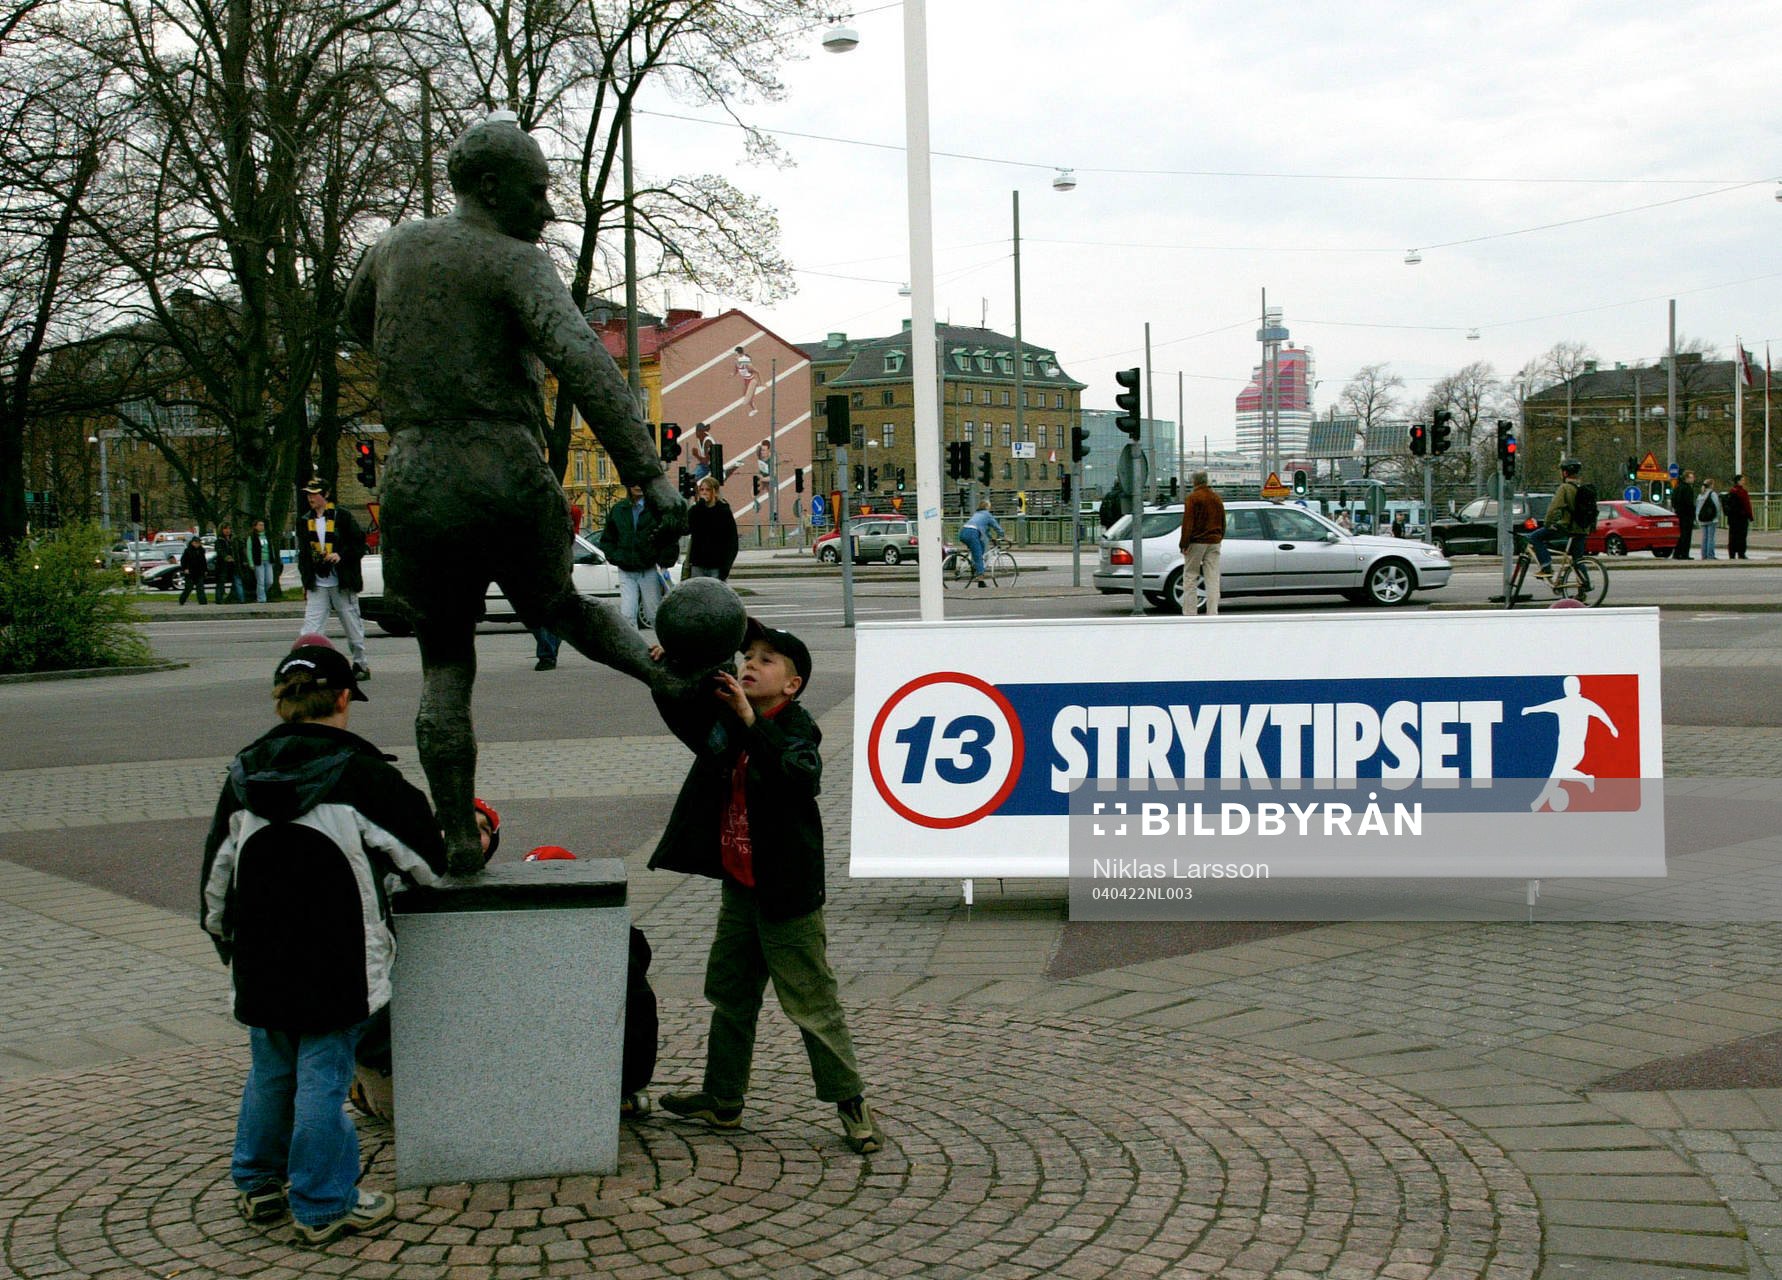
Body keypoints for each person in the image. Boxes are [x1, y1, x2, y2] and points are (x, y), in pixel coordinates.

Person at [343, 112, 691, 874]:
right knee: (561, 605)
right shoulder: (514, 260)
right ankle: (668, 677)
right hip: (498, 460)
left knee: (444, 662)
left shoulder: (393, 247)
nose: (547, 210)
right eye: (537, 193)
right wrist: (648, 474)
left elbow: (352, 317)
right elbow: (587, 366)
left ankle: (458, 835)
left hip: (414, 471)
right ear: (493, 188)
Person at [200, 639, 447, 1244]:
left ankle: (258, 1184)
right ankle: (322, 1203)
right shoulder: (361, 775)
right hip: (337, 959)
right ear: (342, 697)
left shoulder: (244, 772)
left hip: (261, 956)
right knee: (322, 1080)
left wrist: (226, 944)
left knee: (270, 1072)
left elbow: (216, 878)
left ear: (283, 700)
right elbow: (426, 863)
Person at [649, 620, 880, 1155]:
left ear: (793, 684)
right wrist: (671, 666)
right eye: (746, 655)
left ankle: (852, 1104)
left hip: (787, 892)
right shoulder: (728, 720)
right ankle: (722, 1099)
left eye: (767, 659)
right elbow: (684, 715)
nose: (750, 664)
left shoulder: (798, 728)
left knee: (811, 1002)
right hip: (740, 886)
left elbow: (800, 776)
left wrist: (752, 720)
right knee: (730, 996)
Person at [350, 797, 502, 1123]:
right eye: (452, 827)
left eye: (483, 829)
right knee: (418, 1119)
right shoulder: (397, 887)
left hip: (446, 1040)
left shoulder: (493, 894)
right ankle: (364, 1085)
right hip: (385, 1041)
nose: (470, 836)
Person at [296, 479, 371, 680]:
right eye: (309, 494)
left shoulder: (343, 516)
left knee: (352, 625)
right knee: (310, 629)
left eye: (315, 493)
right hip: (317, 582)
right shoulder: (305, 520)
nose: (311, 498)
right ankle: (307, 666)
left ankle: (360, 664)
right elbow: (303, 554)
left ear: (326, 494)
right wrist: (306, 580)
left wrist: (341, 555)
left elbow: (359, 544)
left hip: (342, 582)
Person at [600, 483, 665, 628]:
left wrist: (659, 558)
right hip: (626, 569)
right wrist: (617, 557)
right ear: (628, 486)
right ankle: (635, 650)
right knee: (627, 614)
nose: (638, 486)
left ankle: (664, 647)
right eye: (633, 483)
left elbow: (666, 537)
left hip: (648, 569)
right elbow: (607, 539)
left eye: (640, 482)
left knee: (654, 613)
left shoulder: (655, 510)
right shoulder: (619, 509)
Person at [1525, 458, 1586, 579]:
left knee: (1535, 537)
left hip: (1567, 527)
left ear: (1564, 473)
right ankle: (1585, 584)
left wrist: (1548, 524)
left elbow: (1554, 508)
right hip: (1582, 529)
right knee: (1578, 560)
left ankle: (1546, 566)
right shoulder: (1582, 488)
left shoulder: (1565, 488)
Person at [1178, 471, 1225, 616]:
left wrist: (1184, 543)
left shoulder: (1193, 498)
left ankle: (1190, 613)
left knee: (1191, 576)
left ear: (1194, 482)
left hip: (1197, 541)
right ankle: (1213, 612)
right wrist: (1219, 537)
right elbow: (1223, 521)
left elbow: (1188, 522)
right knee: (1212, 577)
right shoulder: (1216, 498)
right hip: (1214, 541)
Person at [687, 476, 739, 581]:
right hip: (698, 563)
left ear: (715, 491)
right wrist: (700, 505)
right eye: (702, 489)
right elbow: (687, 528)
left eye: (708, 489)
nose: (704, 492)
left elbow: (732, 540)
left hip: (717, 565)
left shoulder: (723, 511)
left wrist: (726, 567)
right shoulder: (696, 510)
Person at [959, 500, 1005, 587]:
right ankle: (980, 580)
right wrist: (1003, 536)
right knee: (979, 557)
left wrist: (991, 538)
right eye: (989, 506)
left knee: (981, 546)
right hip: (972, 533)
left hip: (963, 532)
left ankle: (974, 565)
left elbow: (986, 530)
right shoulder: (987, 515)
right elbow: (996, 527)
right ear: (987, 507)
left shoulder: (977, 514)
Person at [246, 519, 279, 602]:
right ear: (255, 526)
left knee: (269, 581)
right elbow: (249, 550)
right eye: (260, 525)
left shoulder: (267, 536)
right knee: (260, 580)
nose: (262, 527)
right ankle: (261, 598)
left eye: (263, 525)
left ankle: (264, 592)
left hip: (268, 560)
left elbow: (271, 548)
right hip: (258, 561)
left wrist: (273, 558)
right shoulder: (252, 537)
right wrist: (251, 563)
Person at [1726, 474, 1754, 560]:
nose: (1744, 481)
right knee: (1741, 536)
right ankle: (1741, 553)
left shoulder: (1731, 491)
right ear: (1738, 481)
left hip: (1732, 518)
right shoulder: (1742, 492)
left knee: (1733, 536)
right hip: (1742, 517)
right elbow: (1746, 505)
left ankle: (1732, 553)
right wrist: (1750, 516)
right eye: (1742, 480)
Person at [214, 524, 244, 604]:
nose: (227, 530)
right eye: (225, 529)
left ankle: (241, 599)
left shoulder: (233, 540)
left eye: (229, 529)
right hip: (223, 565)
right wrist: (226, 557)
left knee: (237, 581)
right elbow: (220, 551)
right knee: (221, 582)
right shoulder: (219, 541)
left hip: (233, 565)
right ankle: (219, 599)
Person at [1670, 470, 1696, 560]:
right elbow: (1689, 503)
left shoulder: (1677, 487)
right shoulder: (1687, 489)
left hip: (1679, 514)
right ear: (1687, 478)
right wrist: (1692, 512)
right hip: (1687, 515)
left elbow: (1673, 501)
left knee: (1680, 535)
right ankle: (1684, 553)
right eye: (1692, 477)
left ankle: (1677, 553)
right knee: (1686, 535)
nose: (1693, 479)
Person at [178, 535, 209, 606]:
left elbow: (204, 561)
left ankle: (203, 601)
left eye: (198, 543)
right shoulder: (187, 551)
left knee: (200, 588)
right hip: (190, 572)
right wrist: (185, 569)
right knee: (188, 588)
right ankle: (182, 600)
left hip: (199, 572)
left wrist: (205, 570)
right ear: (192, 542)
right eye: (196, 542)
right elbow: (183, 561)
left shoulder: (201, 550)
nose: (197, 544)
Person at [1697, 478, 1722, 560]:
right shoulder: (1712, 494)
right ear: (1711, 485)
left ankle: (1704, 555)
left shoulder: (1700, 494)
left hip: (1702, 518)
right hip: (1711, 518)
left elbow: (1698, 508)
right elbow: (1717, 506)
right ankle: (1710, 555)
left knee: (1704, 538)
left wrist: (1697, 518)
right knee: (1710, 537)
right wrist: (1717, 517)